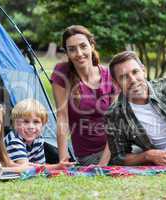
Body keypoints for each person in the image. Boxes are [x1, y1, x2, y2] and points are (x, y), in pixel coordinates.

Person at [51, 25, 118, 166]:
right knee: (149, 156)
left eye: (83, 46)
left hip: (115, 148)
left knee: (154, 153)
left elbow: (115, 123)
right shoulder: (61, 73)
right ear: (67, 53)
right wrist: (63, 159)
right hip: (90, 155)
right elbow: (62, 117)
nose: (79, 53)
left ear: (92, 46)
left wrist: (104, 163)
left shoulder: (110, 75)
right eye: (72, 49)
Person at [5, 98, 75, 169]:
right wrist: (56, 167)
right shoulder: (15, 141)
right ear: (15, 124)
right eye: (26, 122)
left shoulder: (38, 140)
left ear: (43, 125)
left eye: (36, 122)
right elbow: (24, 168)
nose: (31, 127)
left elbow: (40, 165)